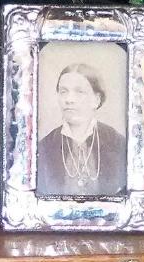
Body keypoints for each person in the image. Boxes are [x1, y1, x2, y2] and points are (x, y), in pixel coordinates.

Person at [36, 63, 127, 197]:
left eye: (79, 92)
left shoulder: (117, 143)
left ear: (96, 100)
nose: (69, 99)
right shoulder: (44, 147)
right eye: (63, 91)